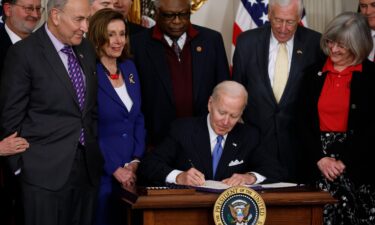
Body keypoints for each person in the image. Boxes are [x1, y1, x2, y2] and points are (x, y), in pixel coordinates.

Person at [0, 0, 104, 224]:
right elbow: (11, 118)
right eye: (79, 19)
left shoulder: (86, 48)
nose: (86, 27)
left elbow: (89, 109)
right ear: (56, 16)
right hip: (41, 176)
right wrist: (21, 169)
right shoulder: (23, 54)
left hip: (86, 171)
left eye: (88, 19)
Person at [298, 12, 375, 225]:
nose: (333, 49)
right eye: (331, 41)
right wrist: (320, 158)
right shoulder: (313, 73)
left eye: (342, 45)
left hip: (358, 166)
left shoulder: (371, 76)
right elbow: (301, 121)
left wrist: (344, 161)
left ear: (358, 44)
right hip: (318, 164)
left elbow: (371, 128)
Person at [232, 0, 322, 182]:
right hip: (256, 146)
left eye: (290, 22)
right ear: (269, 15)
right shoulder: (246, 42)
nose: (283, 28)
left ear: (299, 18)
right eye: (278, 20)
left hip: (300, 146)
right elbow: (237, 89)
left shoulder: (316, 43)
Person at [138, 81, 283, 186]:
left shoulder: (249, 135)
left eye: (234, 116)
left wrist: (249, 178)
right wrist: (179, 177)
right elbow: (148, 165)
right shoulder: (182, 129)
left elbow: (275, 170)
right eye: (222, 113)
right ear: (210, 104)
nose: (226, 122)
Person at [131, 0, 229, 146]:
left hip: (205, 138)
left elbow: (224, 89)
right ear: (157, 13)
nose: (177, 21)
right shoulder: (138, 44)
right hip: (157, 141)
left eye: (183, 15)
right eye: (169, 15)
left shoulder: (211, 40)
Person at [87, 8, 145, 225]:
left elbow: (137, 117)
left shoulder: (129, 68)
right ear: (97, 36)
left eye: (122, 33)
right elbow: (88, 128)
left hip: (131, 173)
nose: (117, 40)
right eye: (111, 34)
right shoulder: (88, 72)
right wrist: (113, 168)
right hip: (101, 174)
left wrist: (135, 161)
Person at [0, 0, 43, 75]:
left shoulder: (46, 44)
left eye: (38, 8)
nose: (35, 15)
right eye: (29, 8)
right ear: (8, 9)